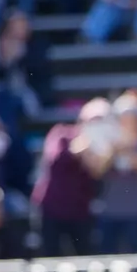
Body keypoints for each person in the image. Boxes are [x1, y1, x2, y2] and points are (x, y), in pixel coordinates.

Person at [33, 98, 108, 257]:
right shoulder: (62, 133)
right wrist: (81, 146)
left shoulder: (103, 146)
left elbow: (98, 173)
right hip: (53, 210)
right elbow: (55, 158)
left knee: (84, 259)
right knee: (51, 260)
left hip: (80, 212)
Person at [94, 91, 137, 254]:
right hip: (110, 211)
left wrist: (126, 150)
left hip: (136, 213)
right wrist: (113, 151)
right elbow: (98, 170)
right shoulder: (109, 143)